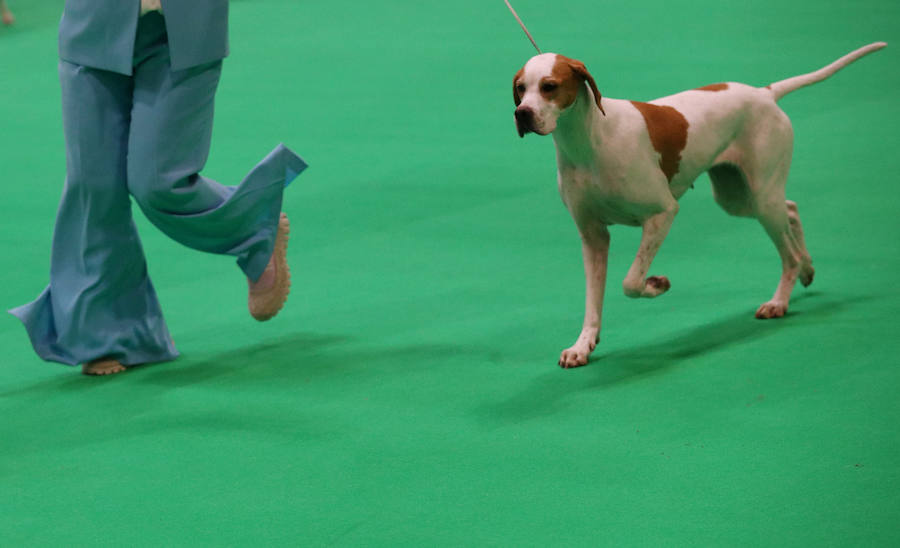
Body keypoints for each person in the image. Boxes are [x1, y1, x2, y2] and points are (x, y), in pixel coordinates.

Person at [9, 0, 307, 375]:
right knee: (94, 187)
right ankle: (111, 333)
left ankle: (253, 229)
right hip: (93, 27)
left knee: (162, 183)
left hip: (185, 32)